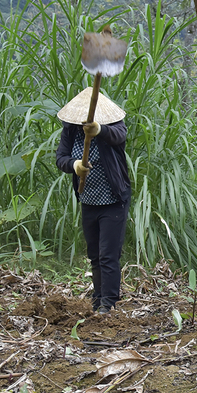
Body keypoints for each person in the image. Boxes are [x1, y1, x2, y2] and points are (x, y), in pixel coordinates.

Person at [55, 88, 131, 314]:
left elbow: (119, 136)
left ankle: (108, 302)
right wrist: (75, 165)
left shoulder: (114, 125)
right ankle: (97, 298)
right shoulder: (70, 130)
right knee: (95, 254)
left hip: (113, 199)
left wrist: (99, 129)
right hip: (88, 199)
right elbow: (61, 158)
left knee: (109, 254)